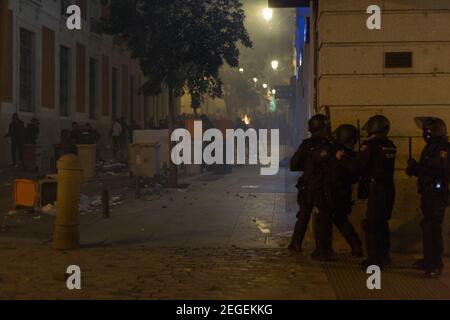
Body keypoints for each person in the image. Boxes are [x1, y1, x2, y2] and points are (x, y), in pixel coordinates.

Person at [338, 115, 397, 270]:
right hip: (388, 189)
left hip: (376, 190)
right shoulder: (390, 145)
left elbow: (357, 166)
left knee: (372, 226)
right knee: (382, 224)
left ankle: (374, 260)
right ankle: (384, 256)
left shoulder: (370, 145)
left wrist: (342, 158)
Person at [406, 117, 450, 277]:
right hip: (429, 193)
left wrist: (419, 168)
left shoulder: (442, 148)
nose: (425, 134)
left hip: (437, 194)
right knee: (427, 227)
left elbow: (439, 168)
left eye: (427, 131)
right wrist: (414, 169)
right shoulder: (431, 147)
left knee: (433, 229)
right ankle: (428, 260)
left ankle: (435, 265)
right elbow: (426, 169)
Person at [289, 114, 334, 261]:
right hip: (322, 186)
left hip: (307, 185)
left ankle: (296, 243)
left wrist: (308, 167)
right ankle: (322, 249)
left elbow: (294, 164)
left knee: (303, 215)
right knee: (323, 218)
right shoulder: (329, 145)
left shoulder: (306, 144)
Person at [329, 124, 364, 257]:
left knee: (337, 219)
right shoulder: (348, 154)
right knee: (340, 219)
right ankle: (355, 246)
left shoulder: (340, 154)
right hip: (342, 191)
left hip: (337, 191)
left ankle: (355, 246)